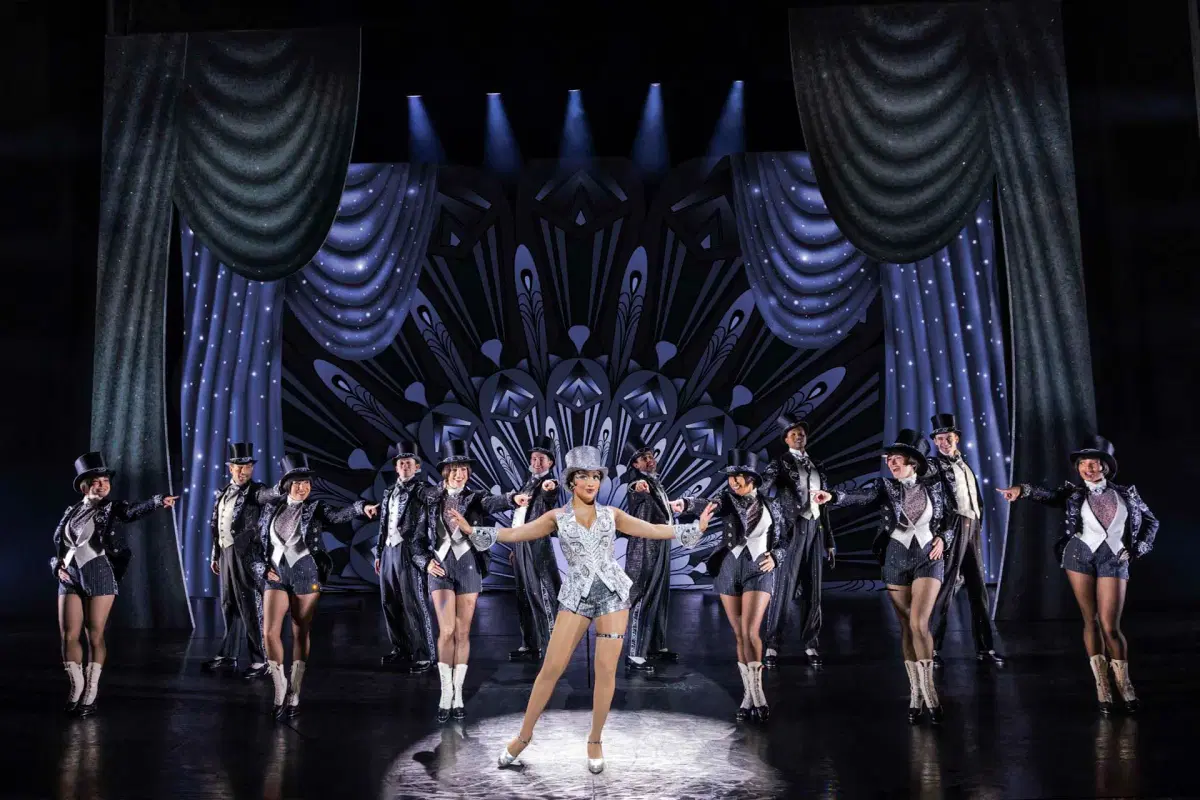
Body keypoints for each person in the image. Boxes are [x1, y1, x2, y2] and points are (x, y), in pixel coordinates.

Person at [449, 445, 709, 774]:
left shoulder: (612, 515)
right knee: (550, 670)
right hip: (575, 596)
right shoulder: (556, 518)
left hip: (613, 595)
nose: (591, 482)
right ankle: (522, 738)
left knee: (605, 673)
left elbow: (655, 530)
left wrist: (695, 528)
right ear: (572, 481)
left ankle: (595, 740)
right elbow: (516, 533)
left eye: (596, 476)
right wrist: (474, 532)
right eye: (584, 476)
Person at [998, 435, 1157, 714]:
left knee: (1111, 626)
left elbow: (1151, 521)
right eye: (1083, 464)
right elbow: (1047, 495)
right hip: (1079, 555)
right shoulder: (1073, 493)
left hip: (1114, 558)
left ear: (1104, 467)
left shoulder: (1126, 493)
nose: (1088, 469)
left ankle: (1124, 684)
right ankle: (1102, 686)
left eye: (1093, 464)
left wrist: (1138, 549)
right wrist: (1021, 490)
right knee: (1090, 620)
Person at [813, 430, 953, 724]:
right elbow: (860, 496)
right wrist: (833, 496)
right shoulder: (885, 487)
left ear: (912, 461)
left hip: (930, 557)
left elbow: (950, 518)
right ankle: (915, 693)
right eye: (889, 460)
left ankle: (930, 692)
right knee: (905, 626)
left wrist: (944, 538)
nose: (891, 463)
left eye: (896, 459)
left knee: (919, 622)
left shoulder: (937, 486)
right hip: (895, 559)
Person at [253, 452, 378, 719]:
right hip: (275, 574)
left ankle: (295, 690)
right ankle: (279, 688)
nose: (303, 487)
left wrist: (360, 508)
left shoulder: (315, 507)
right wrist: (262, 569)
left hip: (306, 573)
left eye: (307, 482)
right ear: (287, 484)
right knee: (269, 633)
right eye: (297, 482)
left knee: (300, 631)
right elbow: (256, 544)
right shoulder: (270, 508)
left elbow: (337, 516)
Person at [411, 438, 529, 722]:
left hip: (468, 569)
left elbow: (493, 502)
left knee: (463, 633)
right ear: (445, 471)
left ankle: (459, 693)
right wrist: (425, 562)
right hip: (439, 569)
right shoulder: (428, 498)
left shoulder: (475, 497)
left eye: (463, 469)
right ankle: (445, 691)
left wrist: (513, 498)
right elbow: (415, 541)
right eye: (454, 469)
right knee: (447, 631)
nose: (459, 474)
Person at [52, 452, 177, 715]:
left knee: (94, 634)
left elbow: (131, 512)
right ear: (85, 485)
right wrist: (56, 566)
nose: (103, 485)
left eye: (106, 481)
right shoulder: (71, 511)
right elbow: (59, 545)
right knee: (68, 635)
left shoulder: (111, 508)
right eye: (97, 481)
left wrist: (156, 502)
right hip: (70, 576)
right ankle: (76, 688)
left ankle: (91, 691)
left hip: (99, 572)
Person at [685, 448, 790, 722]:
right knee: (740, 635)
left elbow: (784, 541)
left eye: (739, 476)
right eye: (730, 477)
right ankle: (748, 696)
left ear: (751, 478)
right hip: (729, 569)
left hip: (759, 568)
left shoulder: (771, 505)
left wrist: (777, 557)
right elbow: (706, 505)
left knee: (750, 630)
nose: (733, 482)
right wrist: (685, 505)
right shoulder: (726, 500)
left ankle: (759, 696)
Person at [925, 414, 1003, 666]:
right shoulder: (934, 466)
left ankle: (985, 649)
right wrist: (940, 532)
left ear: (956, 438)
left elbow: (974, 498)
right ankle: (932, 649)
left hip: (973, 526)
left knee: (978, 589)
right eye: (939, 439)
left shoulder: (964, 464)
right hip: (954, 525)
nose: (944, 443)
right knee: (945, 589)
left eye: (948, 438)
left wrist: (977, 521)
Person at [760, 414, 834, 668]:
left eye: (801, 433)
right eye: (793, 434)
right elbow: (763, 487)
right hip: (792, 529)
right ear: (786, 439)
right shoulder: (780, 463)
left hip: (815, 526)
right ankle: (772, 643)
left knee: (813, 590)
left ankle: (811, 643)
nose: (798, 437)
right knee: (784, 589)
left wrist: (829, 541)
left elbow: (825, 507)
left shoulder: (818, 465)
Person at [202, 442, 280, 679]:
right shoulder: (223, 492)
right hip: (226, 554)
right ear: (231, 468)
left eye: (248, 466)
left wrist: (282, 488)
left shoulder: (257, 491)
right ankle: (229, 653)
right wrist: (216, 555)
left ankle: (260, 660)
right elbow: (216, 526)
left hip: (247, 555)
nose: (244, 471)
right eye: (239, 467)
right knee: (229, 604)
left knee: (249, 606)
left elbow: (269, 495)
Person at [623, 436, 687, 675]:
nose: (649, 461)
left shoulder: (655, 482)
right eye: (642, 458)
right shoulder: (639, 483)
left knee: (660, 596)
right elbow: (635, 490)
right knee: (642, 596)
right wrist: (637, 486)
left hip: (661, 543)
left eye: (650, 456)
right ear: (635, 465)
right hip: (644, 546)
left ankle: (655, 646)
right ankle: (634, 653)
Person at [374, 440, 435, 673]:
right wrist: (379, 552)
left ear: (417, 467)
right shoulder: (389, 491)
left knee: (414, 602)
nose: (405, 467)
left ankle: (424, 654)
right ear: (396, 467)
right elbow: (383, 525)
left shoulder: (423, 490)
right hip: (389, 550)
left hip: (409, 551)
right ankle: (401, 649)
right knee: (389, 601)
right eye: (402, 464)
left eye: (410, 463)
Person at [508, 436, 562, 663]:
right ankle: (530, 644)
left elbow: (552, 493)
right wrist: (514, 548)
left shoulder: (548, 482)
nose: (537, 462)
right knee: (523, 594)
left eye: (542, 459)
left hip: (537, 544)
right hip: (520, 543)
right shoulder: (527, 482)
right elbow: (520, 515)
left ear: (550, 463)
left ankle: (553, 647)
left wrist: (550, 487)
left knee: (543, 594)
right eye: (533, 458)